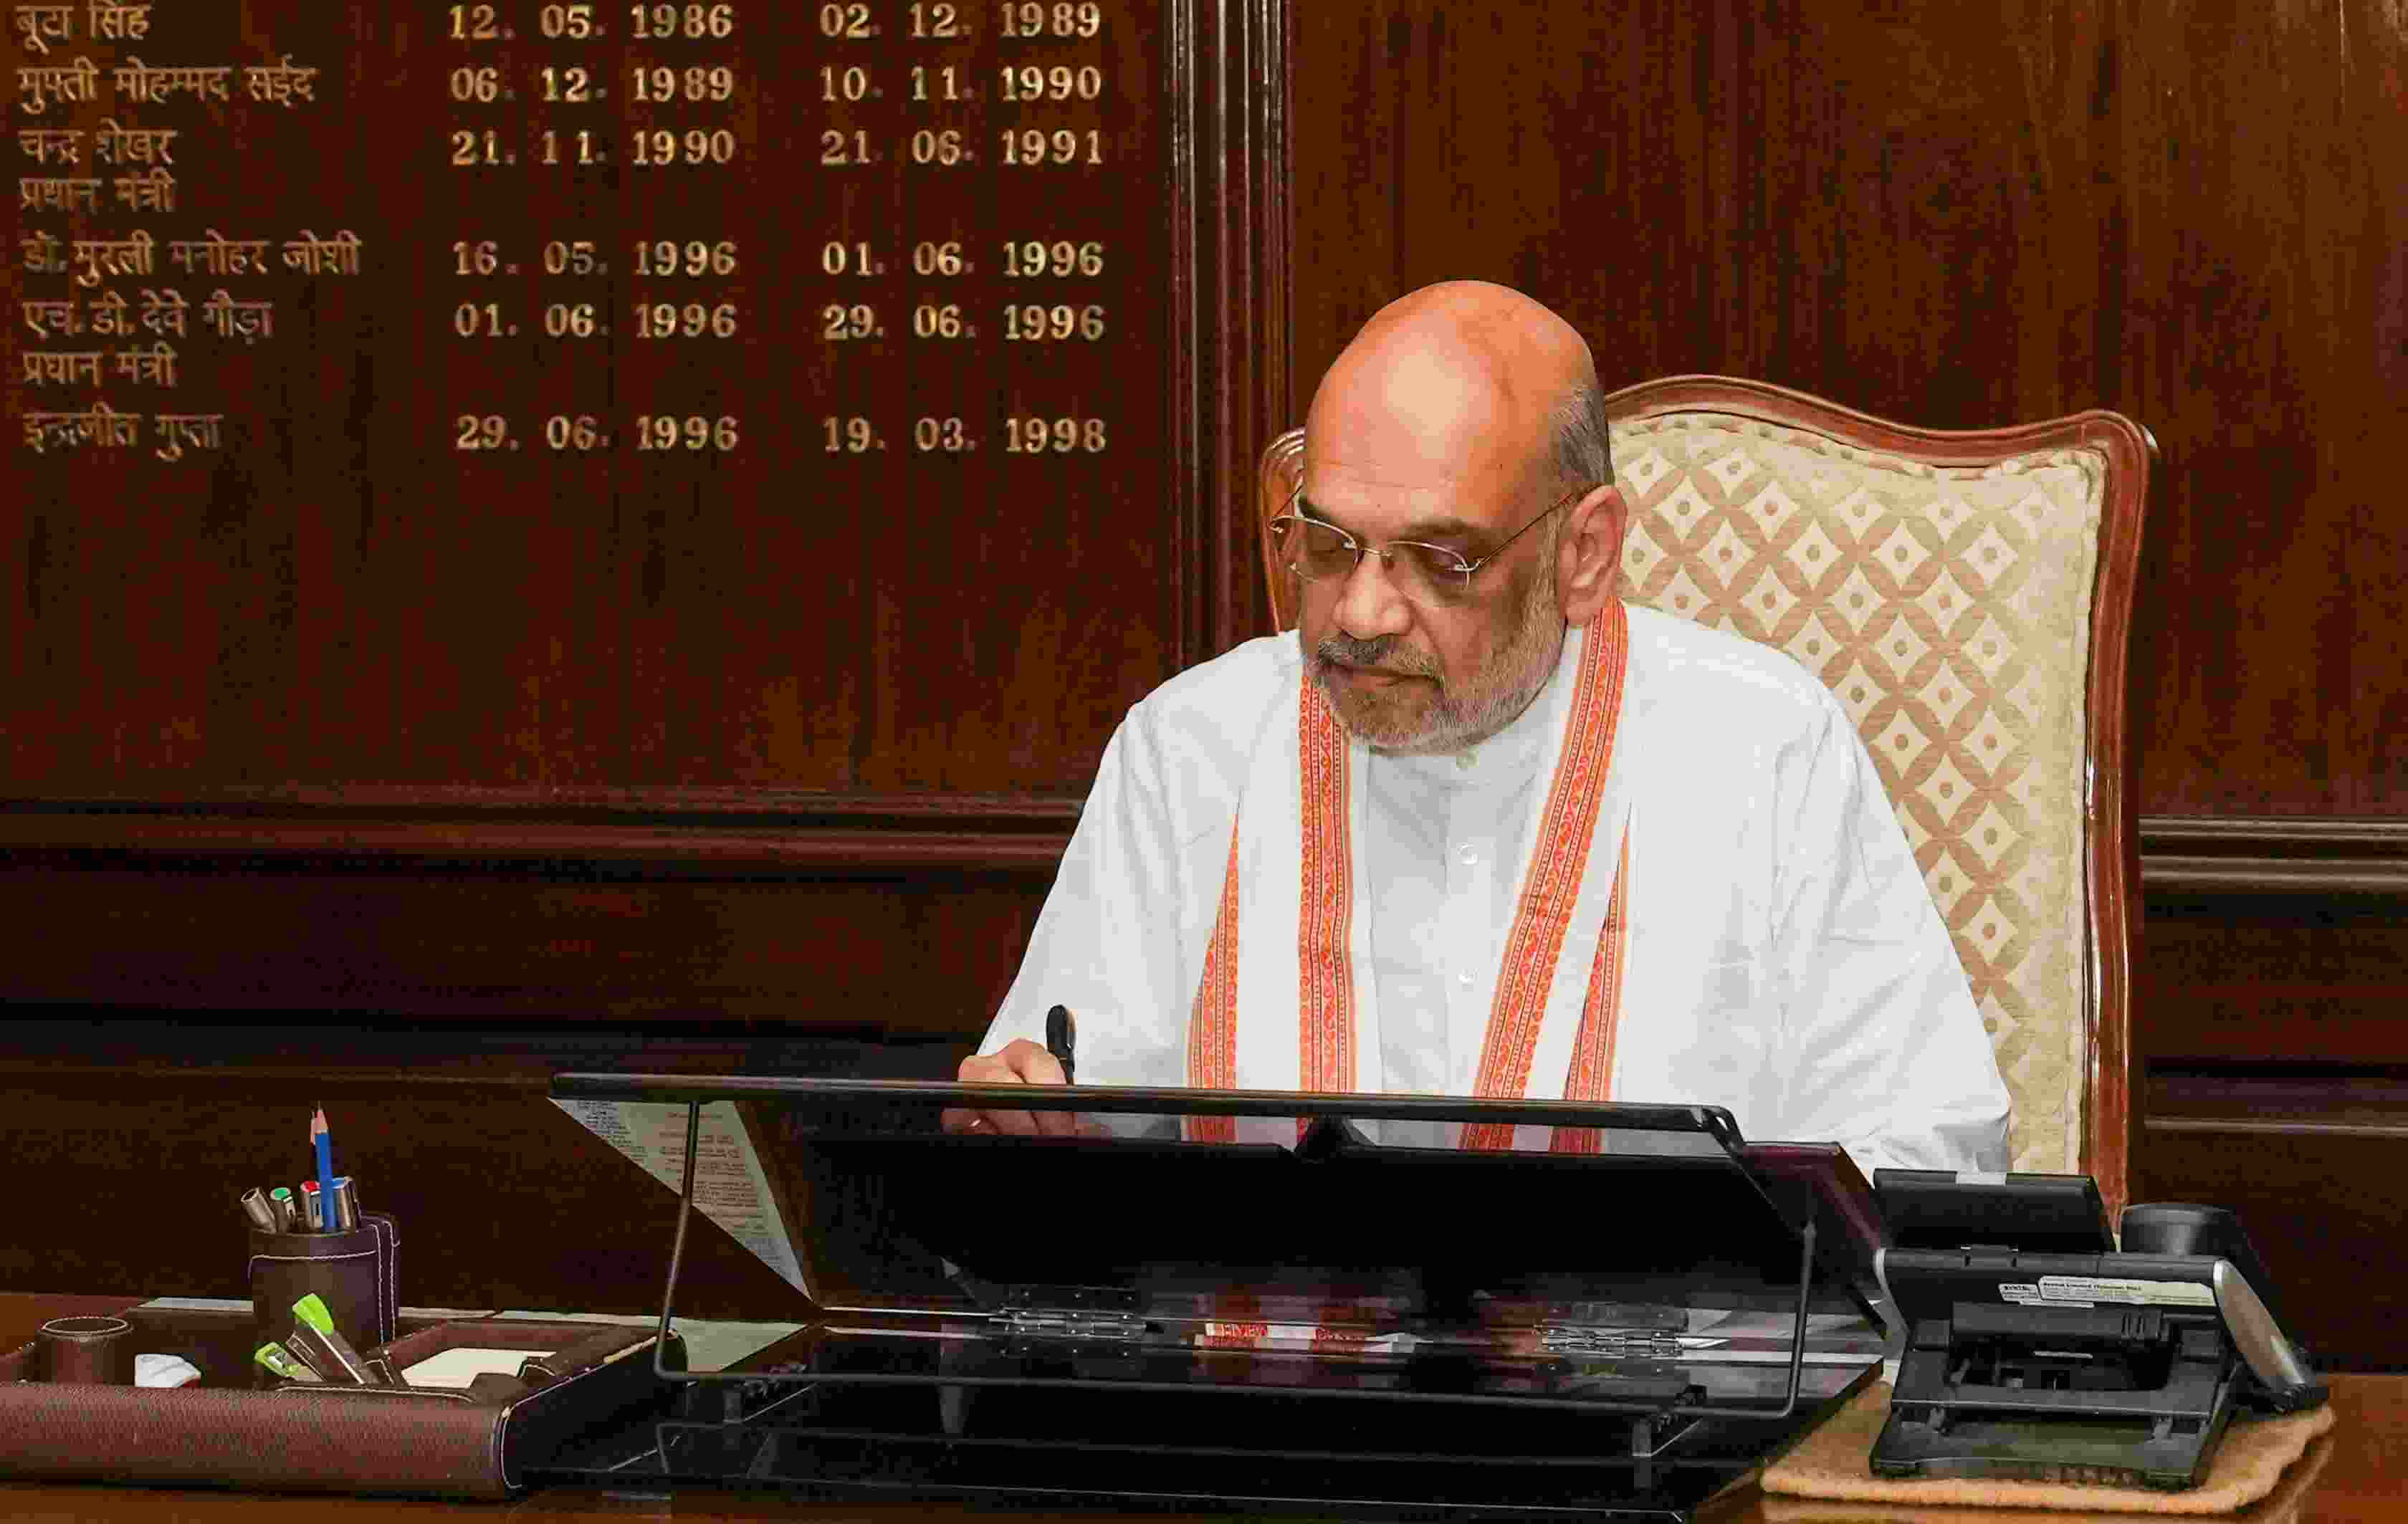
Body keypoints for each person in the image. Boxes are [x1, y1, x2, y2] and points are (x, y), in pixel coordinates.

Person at [954, 281, 2010, 1174]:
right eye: (1328, 546)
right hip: (1265, 1402)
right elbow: (1070, 1116)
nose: (1361, 615)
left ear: (1585, 554)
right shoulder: (1190, 751)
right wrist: (1027, 1128)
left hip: (1668, 1406)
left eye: (1441, 560)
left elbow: (1922, 1154)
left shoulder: (1765, 752)